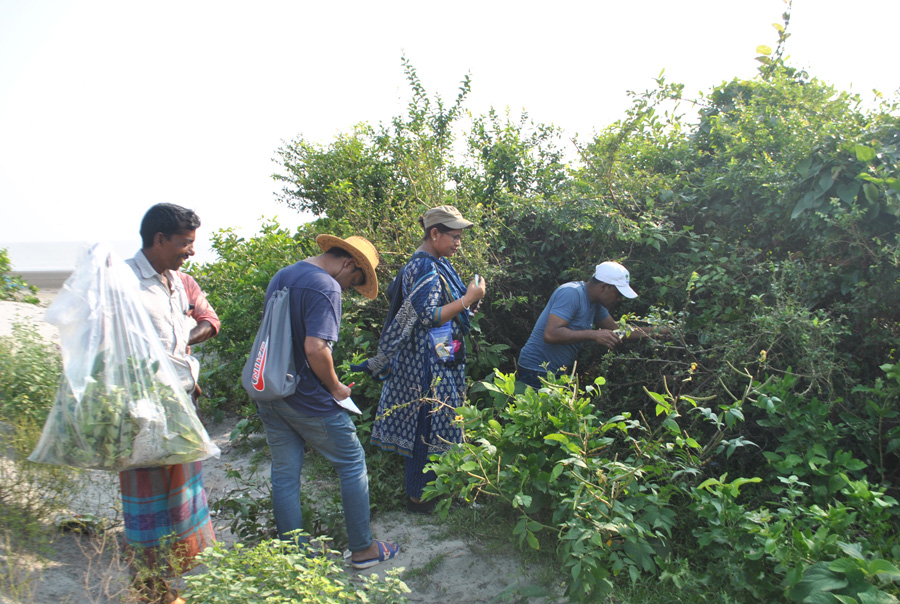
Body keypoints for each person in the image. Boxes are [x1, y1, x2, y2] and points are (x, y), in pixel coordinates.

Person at [253, 234, 400, 570]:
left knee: (285, 473)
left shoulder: (284, 274)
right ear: (349, 263)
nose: (348, 288)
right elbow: (315, 348)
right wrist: (335, 388)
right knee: (352, 462)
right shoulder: (325, 286)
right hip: (305, 397)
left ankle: (295, 556)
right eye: (355, 281)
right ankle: (363, 549)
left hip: (270, 389)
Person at [355, 205, 487, 514]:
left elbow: (445, 312)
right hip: (427, 359)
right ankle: (419, 497)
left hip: (441, 351)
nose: (458, 243)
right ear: (435, 233)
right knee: (427, 424)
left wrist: (469, 302)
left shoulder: (436, 263)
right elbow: (428, 317)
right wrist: (468, 298)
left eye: (460, 238)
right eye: (454, 237)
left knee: (441, 418)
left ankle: (437, 489)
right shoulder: (425, 267)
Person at [122, 203, 215, 603]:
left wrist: (177, 346)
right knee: (146, 504)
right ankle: (150, 590)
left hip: (182, 408)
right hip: (140, 414)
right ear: (159, 239)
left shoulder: (182, 283)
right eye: (184, 243)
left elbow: (210, 320)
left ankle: (177, 586)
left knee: (183, 500)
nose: (190, 251)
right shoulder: (122, 281)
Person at [517, 260, 667, 388]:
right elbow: (550, 334)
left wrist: (657, 331)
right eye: (618, 293)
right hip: (535, 371)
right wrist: (594, 334)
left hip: (557, 372)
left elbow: (618, 330)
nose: (619, 299)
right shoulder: (571, 293)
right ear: (603, 287)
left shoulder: (596, 305)